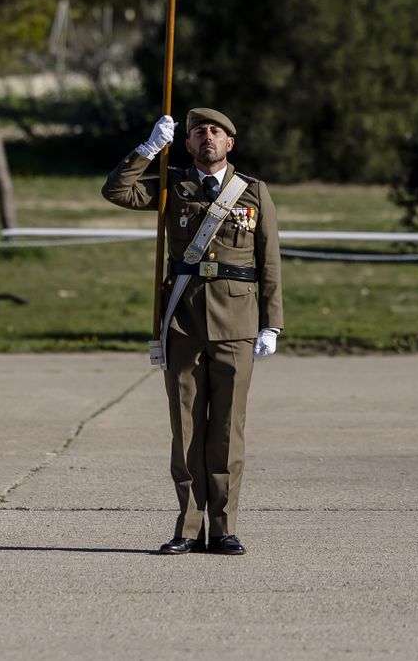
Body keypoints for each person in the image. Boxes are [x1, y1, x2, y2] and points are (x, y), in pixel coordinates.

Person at [102, 107, 283, 556]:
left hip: (237, 325)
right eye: (198, 132)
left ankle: (223, 529)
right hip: (183, 321)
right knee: (185, 431)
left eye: (216, 131)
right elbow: (116, 191)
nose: (207, 137)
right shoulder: (171, 186)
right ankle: (187, 527)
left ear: (229, 144)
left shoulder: (254, 193)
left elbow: (270, 263)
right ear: (186, 144)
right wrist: (147, 150)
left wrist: (271, 322)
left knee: (226, 431)